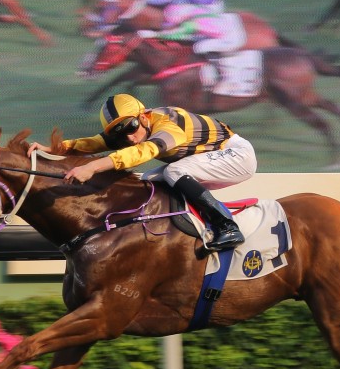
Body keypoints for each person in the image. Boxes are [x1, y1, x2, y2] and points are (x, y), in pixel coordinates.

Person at [28, 94, 254, 251]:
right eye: (120, 135)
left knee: (175, 171)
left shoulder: (169, 123)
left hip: (237, 156)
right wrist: (56, 149)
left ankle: (227, 226)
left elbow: (145, 151)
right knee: (144, 182)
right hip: (202, 160)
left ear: (145, 117)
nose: (128, 138)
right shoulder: (135, 125)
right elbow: (97, 142)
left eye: (131, 128)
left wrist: (92, 167)